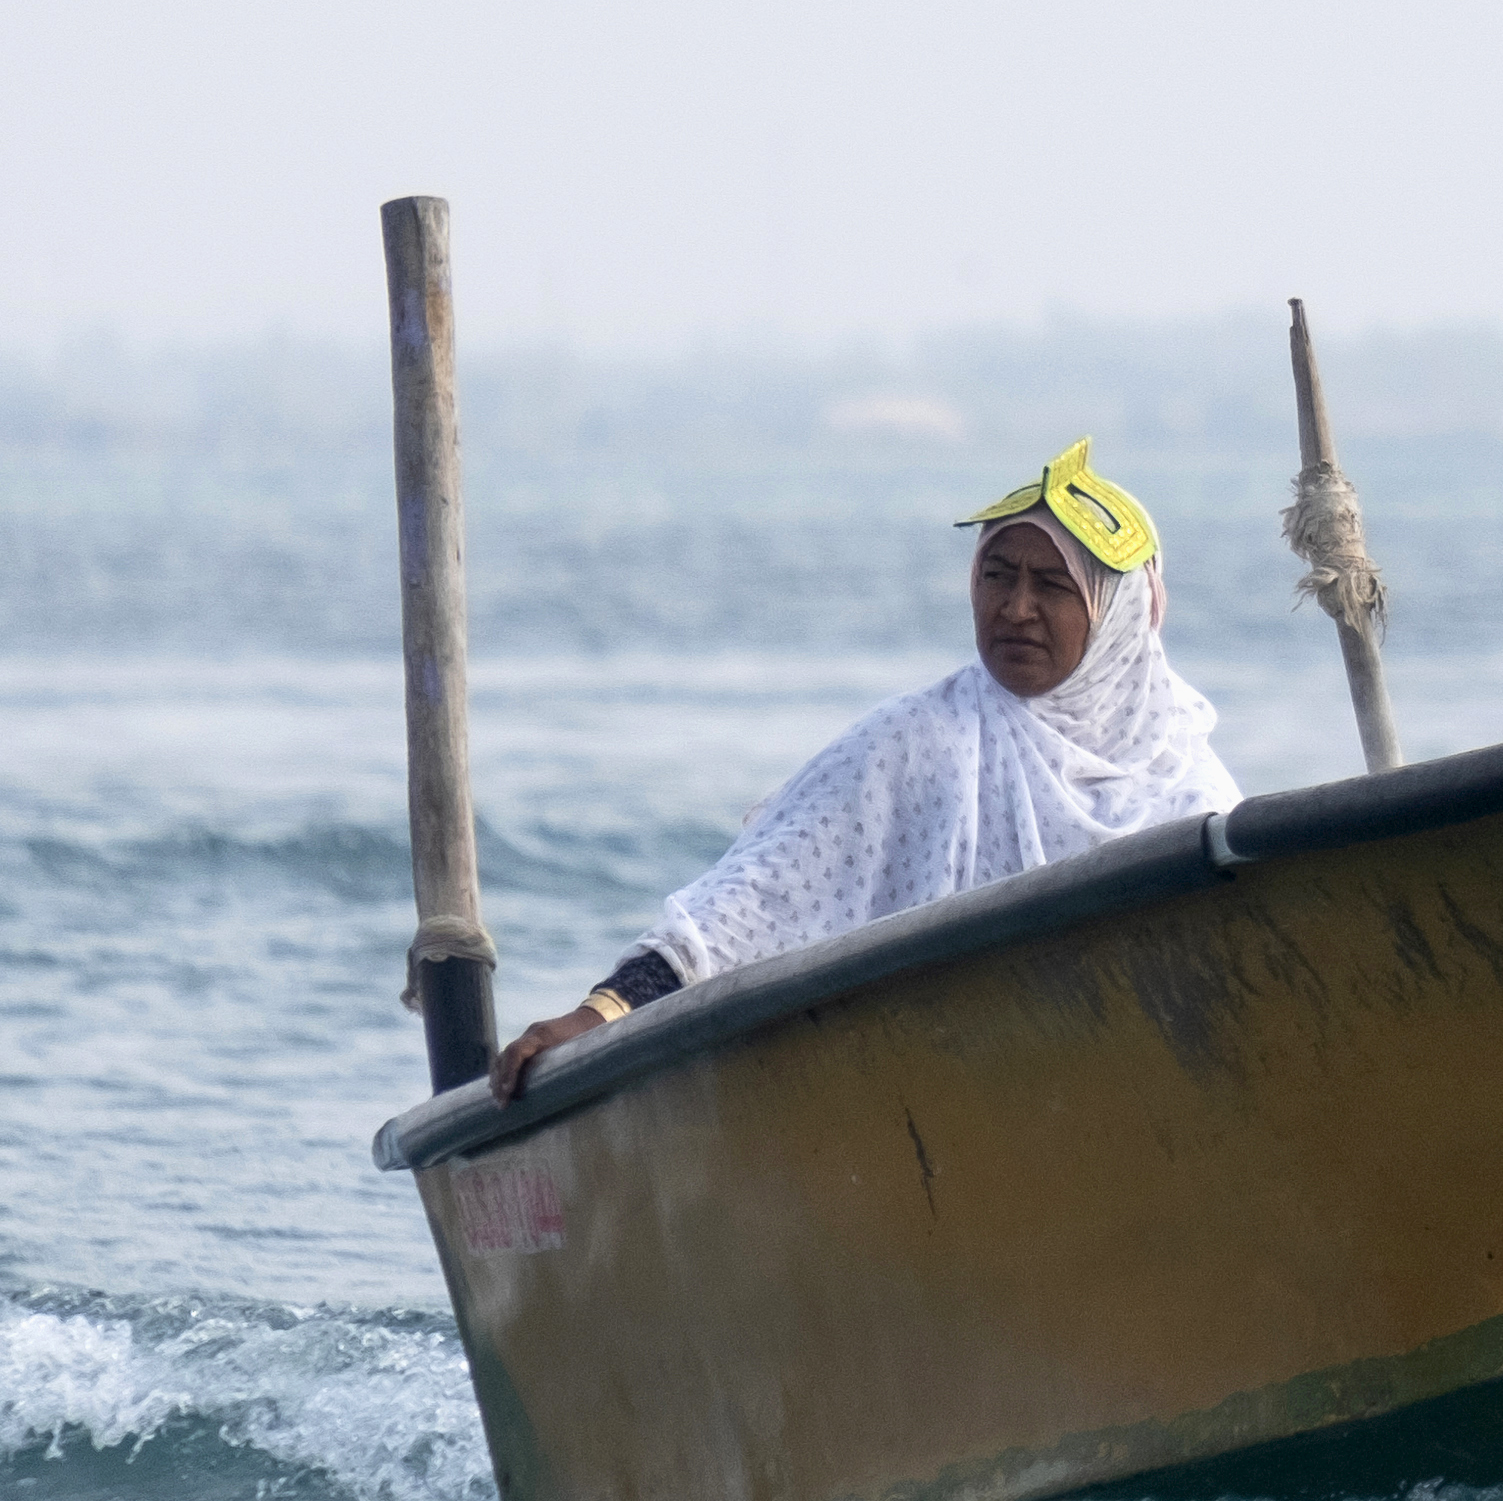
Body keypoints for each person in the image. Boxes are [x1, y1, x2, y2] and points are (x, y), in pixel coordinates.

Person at [488, 439, 1242, 1101]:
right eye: (997, 576)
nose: (1014, 608)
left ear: (1120, 615)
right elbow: (744, 908)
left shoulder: (1191, 791)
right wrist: (600, 1016)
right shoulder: (919, 741)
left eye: (1051, 586)